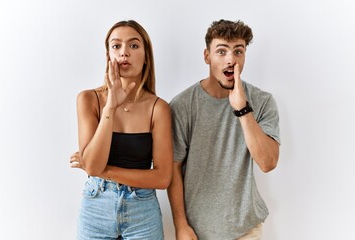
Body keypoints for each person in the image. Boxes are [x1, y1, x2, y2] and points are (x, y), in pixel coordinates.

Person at [167, 19, 281, 240]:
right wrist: (180, 224)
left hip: (245, 228)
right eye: (221, 51)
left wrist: (243, 110)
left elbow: (268, 162)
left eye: (238, 51)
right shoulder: (182, 105)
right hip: (195, 231)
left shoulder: (262, 101)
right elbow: (173, 168)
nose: (231, 60)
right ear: (207, 56)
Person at [69, 20, 173, 240]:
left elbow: (163, 178)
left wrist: (104, 172)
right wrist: (111, 107)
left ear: (146, 57)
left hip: (142, 210)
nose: (124, 52)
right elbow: (94, 164)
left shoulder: (158, 108)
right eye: (116, 46)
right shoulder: (89, 99)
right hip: (96, 207)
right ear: (108, 55)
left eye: (134, 46)